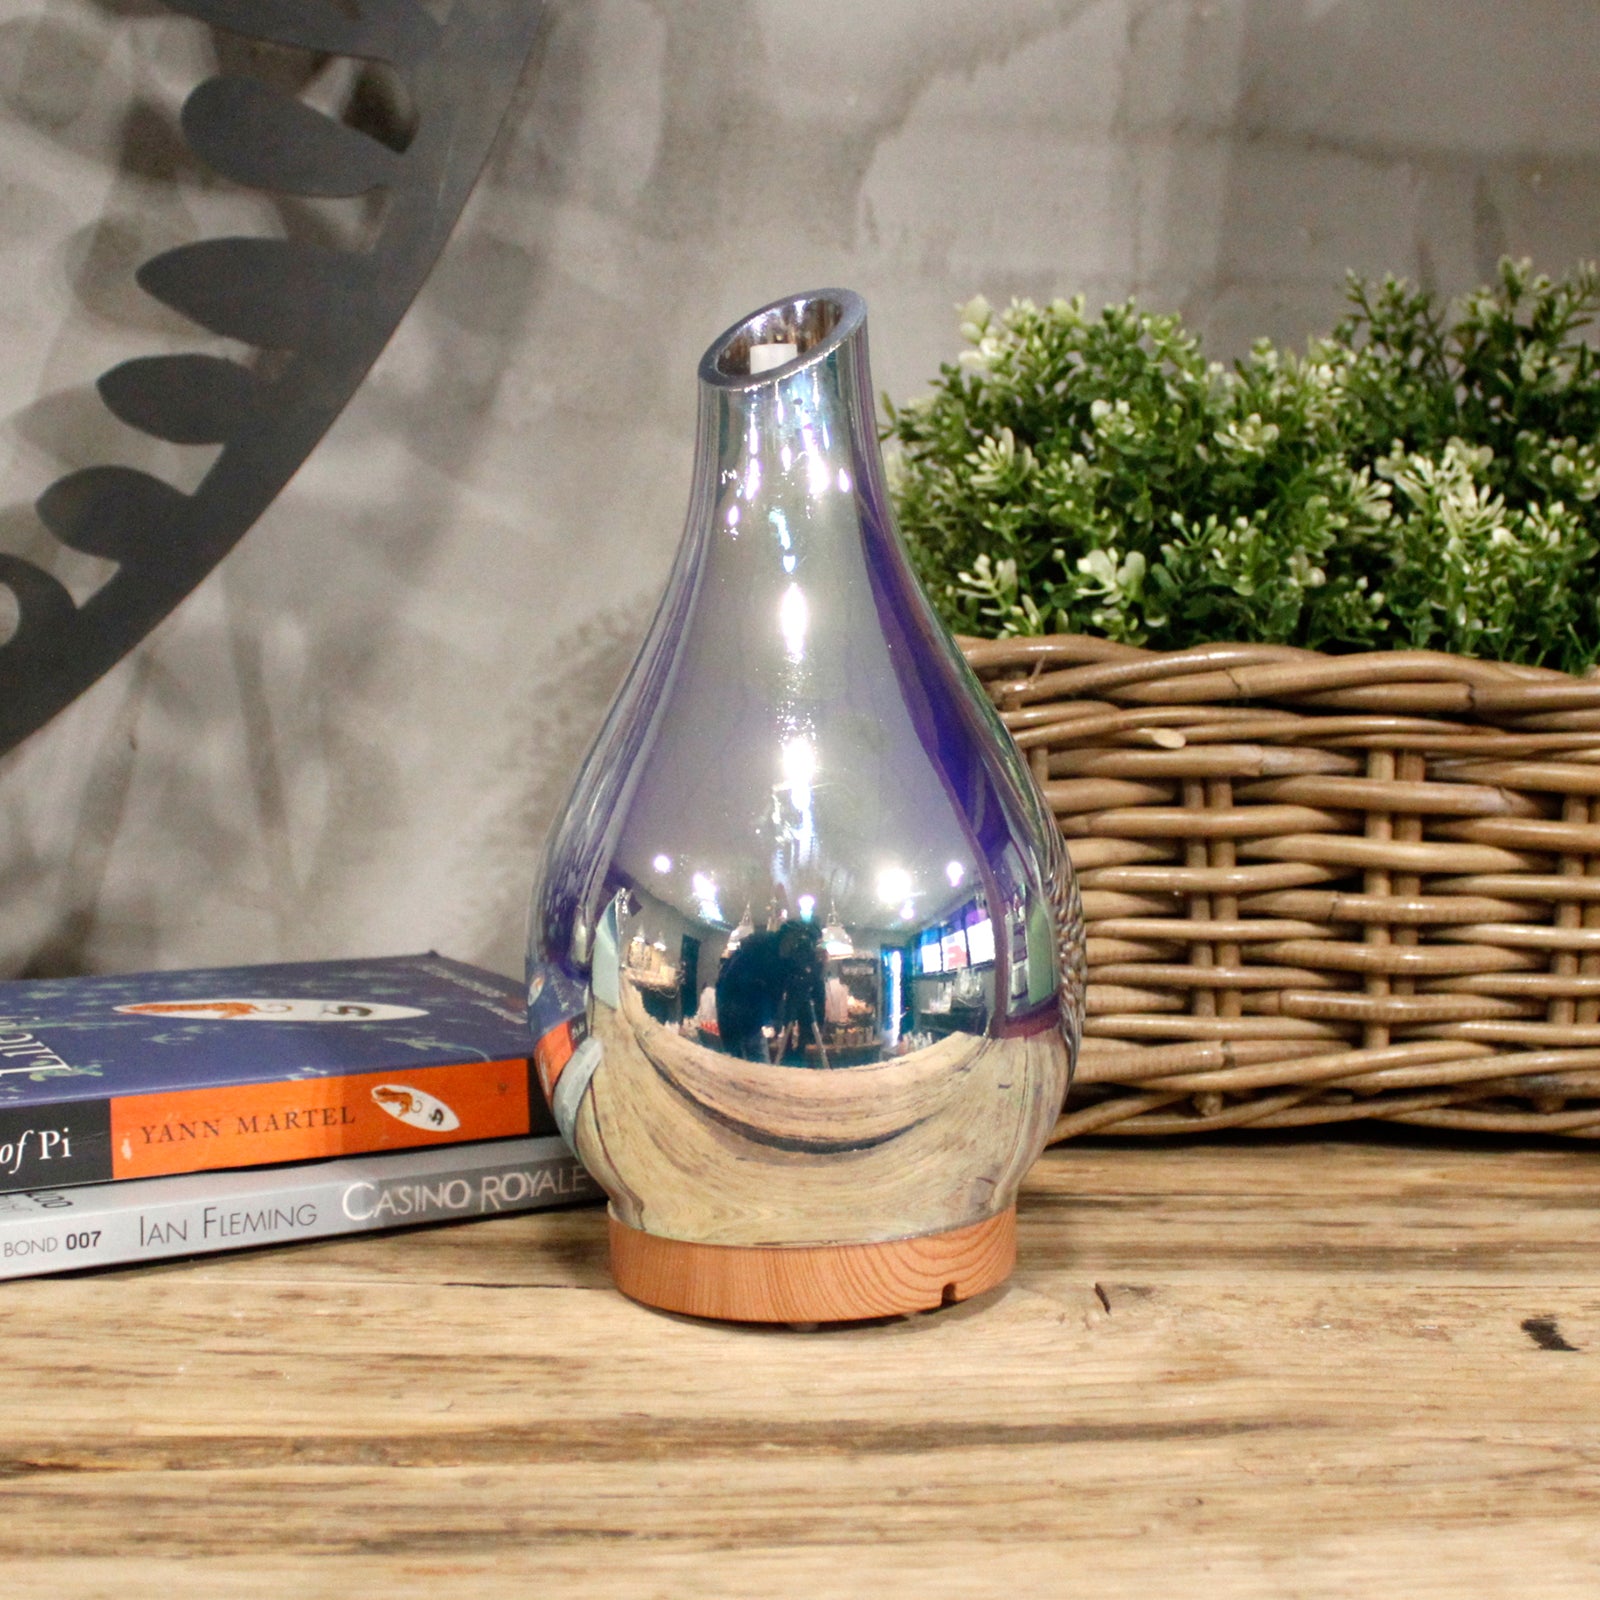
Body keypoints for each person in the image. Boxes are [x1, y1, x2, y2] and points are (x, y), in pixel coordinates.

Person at [714, 919, 827, 1063]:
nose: (798, 946)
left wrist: (818, 969)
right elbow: (729, 981)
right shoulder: (759, 946)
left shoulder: (788, 963)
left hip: (754, 1023)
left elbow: (800, 988)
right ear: (787, 934)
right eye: (798, 939)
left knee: (760, 1064)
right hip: (733, 1014)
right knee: (736, 1064)